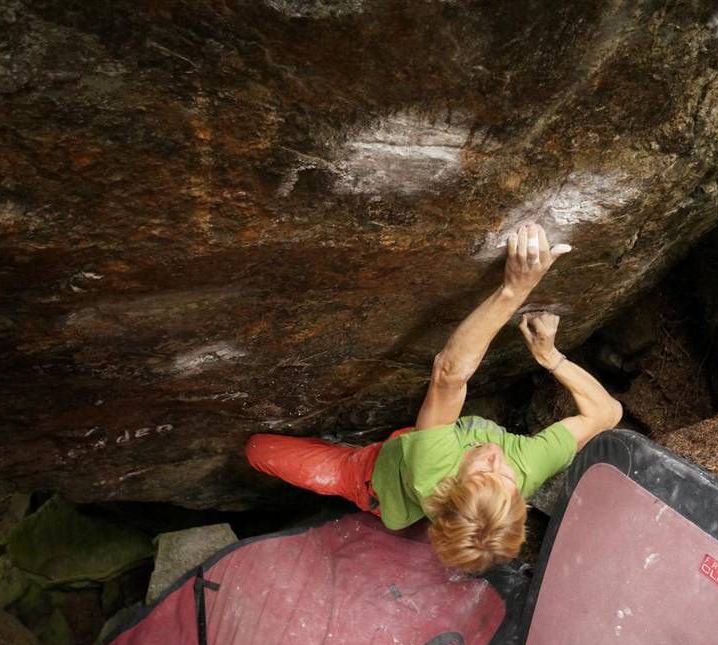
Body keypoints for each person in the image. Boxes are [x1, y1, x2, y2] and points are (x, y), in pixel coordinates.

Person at [246, 223, 622, 574]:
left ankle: (347, 450)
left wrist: (513, 290)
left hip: (369, 475)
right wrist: (549, 356)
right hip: (422, 443)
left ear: (449, 487)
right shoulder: (525, 468)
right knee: (428, 437)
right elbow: (608, 413)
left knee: (257, 449)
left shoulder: (433, 471)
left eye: (483, 472)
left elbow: (449, 373)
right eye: (505, 476)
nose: (497, 458)